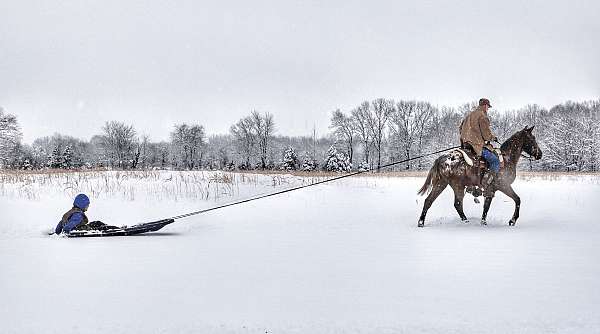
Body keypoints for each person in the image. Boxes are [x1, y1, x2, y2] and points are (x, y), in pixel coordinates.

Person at [459, 98, 500, 187]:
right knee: (495, 161)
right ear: (485, 106)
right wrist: (493, 138)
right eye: (488, 107)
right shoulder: (482, 116)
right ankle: (486, 182)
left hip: (466, 145)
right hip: (477, 146)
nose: (488, 109)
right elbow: (486, 135)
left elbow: (460, 128)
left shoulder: (469, 115)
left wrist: (466, 138)